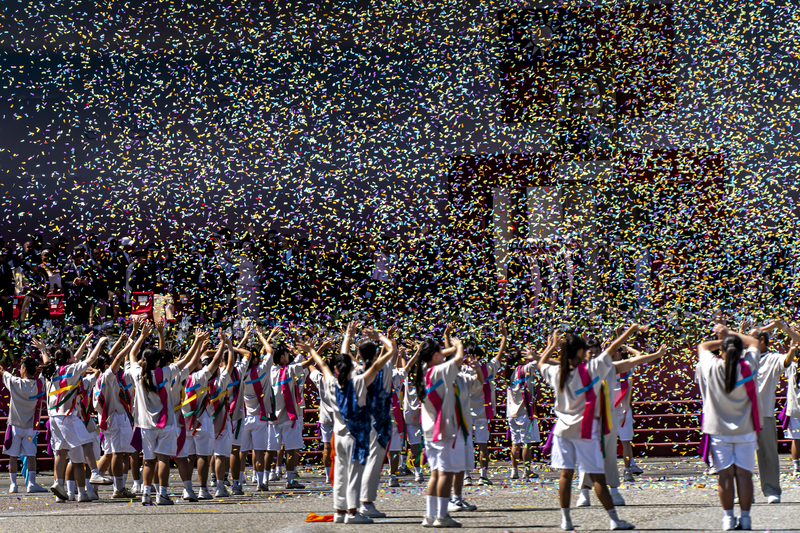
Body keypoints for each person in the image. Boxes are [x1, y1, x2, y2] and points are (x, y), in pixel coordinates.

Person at [538, 327, 638, 531]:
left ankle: (566, 520)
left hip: (563, 432)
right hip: (586, 431)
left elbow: (541, 363)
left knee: (566, 475)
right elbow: (613, 347)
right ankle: (613, 520)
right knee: (598, 477)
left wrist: (552, 346)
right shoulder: (592, 370)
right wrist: (632, 330)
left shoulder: (557, 372)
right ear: (581, 352)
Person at [298, 321, 395, 524]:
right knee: (354, 474)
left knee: (341, 474)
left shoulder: (331, 382)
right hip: (355, 435)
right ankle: (352, 512)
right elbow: (378, 363)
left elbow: (323, 365)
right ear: (352, 365)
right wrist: (385, 343)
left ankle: (340, 511)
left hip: (339, 435)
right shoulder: (359, 381)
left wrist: (312, 350)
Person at [576, 339, 667, 506]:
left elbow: (635, 360)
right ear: (584, 355)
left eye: (598, 351)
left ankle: (615, 491)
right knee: (586, 457)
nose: (595, 354)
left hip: (609, 417)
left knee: (610, 456)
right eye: (591, 352)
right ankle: (584, 493)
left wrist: (657, 354)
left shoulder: (611, 368)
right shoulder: (579, 370)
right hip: (588, 419)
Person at [126, 321, 203, 505]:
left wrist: (141, 335)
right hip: (166, 424)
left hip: (145, 425)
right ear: (158, 361)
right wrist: (197, 342)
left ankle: (146, 493)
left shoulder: (137, 373)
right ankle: (162, 494)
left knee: (148, 461)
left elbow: (130, 354)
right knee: (163, 459)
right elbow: (188, 362)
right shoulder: (166, 372)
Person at [696, 324, 761, 531]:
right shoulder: (749, 365)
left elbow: (704, 345)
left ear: (721, 352)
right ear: (741, 351)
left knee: (725, 476)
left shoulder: (712, 366)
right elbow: (755, 342)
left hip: (718, 430)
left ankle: (727, 518)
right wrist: (731, 334)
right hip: (746, 429)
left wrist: (721, 337)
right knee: (744, 475)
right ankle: (746, 518)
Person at [39, 333, 113, 501]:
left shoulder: (51, 370)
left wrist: (85, 341)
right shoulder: (71, 370)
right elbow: (91, 359)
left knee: (61, 451)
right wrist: (99, 343)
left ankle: (58, 482)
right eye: (72, 355)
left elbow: (57, 359)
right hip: (67, 416)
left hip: (53, 418)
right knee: (86, 441)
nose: (75, 356)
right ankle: (94, 473)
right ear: (68, 360)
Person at [414, 336, 466, 528]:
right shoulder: (439, 370)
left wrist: (446, 350)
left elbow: (438, 356)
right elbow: (459, 360)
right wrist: (458, 347)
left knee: (435, 474)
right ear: (435, 355)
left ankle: (429, 515)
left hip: (430, 430)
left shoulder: (424, 370)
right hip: (442, 429)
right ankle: (442, 516)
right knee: (445, 473)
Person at [747, 319, 800, 503]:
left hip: (764, 414)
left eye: (751, 337)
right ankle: (744, 493)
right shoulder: (743, 358)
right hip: (742, 415)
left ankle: (771, 491)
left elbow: (785, 361)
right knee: (741, 455)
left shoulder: (772, 358)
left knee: (768, 453)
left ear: (761, 340)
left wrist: (792, 352)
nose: (747, 340)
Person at [357, 326, 398, 519]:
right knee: (373, 462)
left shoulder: (357, 370)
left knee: (363, 462)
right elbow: (393, 351)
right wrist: (382, 337)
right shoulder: (384, 369)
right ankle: (366, 503)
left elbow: (387, 353)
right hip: (378, 421)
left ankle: (357, 502)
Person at [463, 320, 508, 486]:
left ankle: (467, 476)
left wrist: (447, 337)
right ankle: (483, 476)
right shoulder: (487, 368)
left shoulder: (462, 371)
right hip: (482, 413)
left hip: (466, 413)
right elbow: (500, 354)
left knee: (466, 445)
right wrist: (504, 336)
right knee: (482, 445)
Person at [93, 334, 137, 498]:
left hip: (109, 419)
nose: (116, 364)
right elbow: (117, 358)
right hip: (116, 419)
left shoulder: (100, 377)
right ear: (107, 365)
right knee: (117, 453)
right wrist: (129, 345)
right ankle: (119, 489)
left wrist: (122, 341)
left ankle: (94, 483)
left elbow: (114, 357)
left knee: (110, 453)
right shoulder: (108, 376)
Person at [266, 339, 313, 490]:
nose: (288, 356)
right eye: (286, 354)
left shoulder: (269, 371)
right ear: (281, 357)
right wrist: (316, 349)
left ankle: (263, 480)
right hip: (289, 417)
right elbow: (307, 363)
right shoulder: (289, 370)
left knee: (271, 449)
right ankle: (290, 480)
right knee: (291, 449)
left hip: (273, 417)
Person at [0, 356, 48, 494]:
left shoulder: (15, 382)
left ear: (24, 369)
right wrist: (43, 351)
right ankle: (31, 483)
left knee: (13, 456)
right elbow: (45, 372)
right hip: (30, 427)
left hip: (15, 426)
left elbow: (3, 372)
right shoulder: (39, 384)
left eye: (21, 367)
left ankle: (13, 485)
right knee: (31, 455)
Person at [505, 346, 540, 481]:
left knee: (515, 443)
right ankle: (527, 471)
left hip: (511, 413)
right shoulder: (526, 368)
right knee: (527, 443)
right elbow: (541, 361)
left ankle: (514, 471)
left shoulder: (509, 373)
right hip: (525, 412)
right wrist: (534, 354)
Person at [782, 341, 800, 475]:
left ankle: (795, 467)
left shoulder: (790, 366)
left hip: (793, 407)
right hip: (794, 407)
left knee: (796, 438)